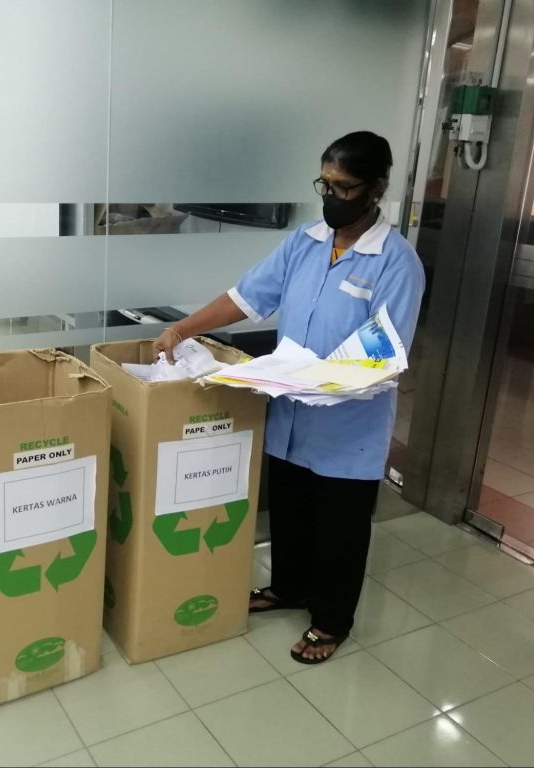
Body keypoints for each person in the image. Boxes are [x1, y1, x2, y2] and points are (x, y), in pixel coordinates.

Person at [153, 131, 425, 664]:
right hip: (290, 414)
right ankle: (289, 588)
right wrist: (183, 329)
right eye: (324, 184)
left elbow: (384, 348)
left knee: (340, 528)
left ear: (377, 188)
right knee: (291, 511)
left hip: (349, 428)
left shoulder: (397, 262)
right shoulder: (305, 242)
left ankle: (331, 620)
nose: (331, 197)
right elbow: (246, 297)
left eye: (343, 187)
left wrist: (315, 378)